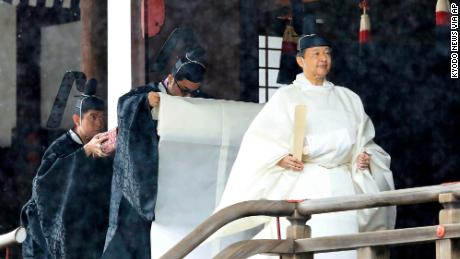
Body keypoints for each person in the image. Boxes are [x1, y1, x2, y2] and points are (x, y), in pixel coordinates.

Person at [213, 20, 396, 259]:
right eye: (316, 54)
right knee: (306, 245)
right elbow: (259, 143)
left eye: (327, 53)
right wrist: (280, 158)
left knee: (343, 249)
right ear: (300, 61)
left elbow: (365, 142)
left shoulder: (348, 98)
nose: (323, 58)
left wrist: (363, 157)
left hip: (343, 184)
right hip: (306, 182)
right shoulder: (286, 97)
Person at [101, 51, 207, 259]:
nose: (187, 97)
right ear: (171, 78)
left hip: (167, 182)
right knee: (127, 240)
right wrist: (144, 103)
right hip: (136, 181)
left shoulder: (189, 104)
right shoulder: (146, 93)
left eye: (192, 93)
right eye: (184, 90)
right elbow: (123, 106)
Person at [21, 82, 114, 259]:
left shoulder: (100, 146)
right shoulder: (60, 147)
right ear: (77, 120)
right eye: (93, 117)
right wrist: (85, 151)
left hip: (85, 227)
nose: (99, 123)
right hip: (53, 227)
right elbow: (43, 183)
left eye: (102, 118)